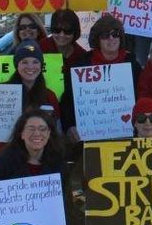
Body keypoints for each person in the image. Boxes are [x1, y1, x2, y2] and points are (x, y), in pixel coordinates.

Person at [0, 41, 60, 180]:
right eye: (24, 62)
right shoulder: (0, 91)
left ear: (41, 65)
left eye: (35, 62)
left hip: (35, 161)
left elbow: (55, 131)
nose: (30, 67)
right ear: (17, 65)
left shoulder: (49, 95)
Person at [61, 14, 142, 147]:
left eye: (115, 34)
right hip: (89, 139)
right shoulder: (81, 65)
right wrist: (69, 127)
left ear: (121, 37)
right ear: (97, 39)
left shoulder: (132, 65)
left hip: (126, 136)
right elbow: (67, 100)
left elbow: (141, 97)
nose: (111, 38)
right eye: (105, 35)